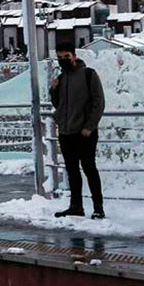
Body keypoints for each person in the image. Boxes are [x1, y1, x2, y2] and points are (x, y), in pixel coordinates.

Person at [50, 43, 106, 219]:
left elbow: (99, 103)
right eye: (59, 57)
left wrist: (89, 126)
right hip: (66, 132)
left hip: (84, 132)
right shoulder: (62, 78)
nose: (63, 60)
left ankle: (98, 207)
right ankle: (76, 206)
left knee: (89, 168)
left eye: (66, 56)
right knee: (72, 170)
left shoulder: (89, 75)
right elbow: (58, 105)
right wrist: (54, 89)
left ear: (74, 56)